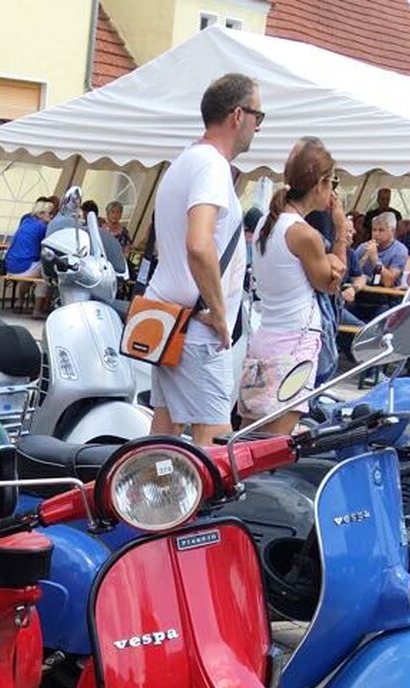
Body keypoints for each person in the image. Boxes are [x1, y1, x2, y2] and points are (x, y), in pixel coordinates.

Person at [145, 72, 260, 446]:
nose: (258, 128)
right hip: (196, 327)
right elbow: (199, 242)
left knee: (164, 437)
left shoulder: (184, 161)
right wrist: (220, 313)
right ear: (238, 115)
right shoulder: (212, 165)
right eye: (258, 117)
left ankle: (152, 503)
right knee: (215, 448)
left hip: (171, 321)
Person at [239, 138, 348, 432]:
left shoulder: (267, 223)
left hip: (265, 337)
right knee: (273, 445)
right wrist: (341, 232)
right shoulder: (304, 234)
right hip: (295, 342)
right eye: (333, 182)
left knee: (250, 436)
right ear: (320, 183)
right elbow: (330, 283)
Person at [3, 198, 53, 317]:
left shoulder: (26, 222)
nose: (51, 217)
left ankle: (19, 301)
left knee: (32, 272)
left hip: (10, 266)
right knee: (47, 273)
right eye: (50, 214)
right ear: (41, 214)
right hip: (24, 268)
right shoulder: (42, 227)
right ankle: (38, 309)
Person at [357, 211, 409, 289]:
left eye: (381, 230)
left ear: (392, 231)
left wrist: (375, 259)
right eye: (374, 230)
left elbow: (388, 282)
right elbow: (350, 273)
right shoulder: (364, 247)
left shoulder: (400, 250)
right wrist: (364, 258)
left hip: (386, 297)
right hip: (360, 292)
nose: (376, 234)